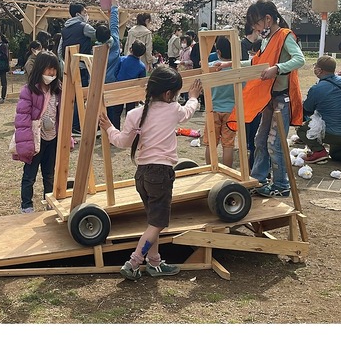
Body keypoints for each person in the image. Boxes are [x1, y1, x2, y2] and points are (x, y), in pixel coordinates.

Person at [98, 66, 203, 280]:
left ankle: (155, 262)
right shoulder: (173, 109)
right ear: (168, 94)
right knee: (158, 223)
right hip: (161, 174)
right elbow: (189, 110)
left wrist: (109, 127)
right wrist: (193, 97)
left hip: (142, 174)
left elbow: (122, 141)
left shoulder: (135, 114)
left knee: (152, 222)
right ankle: (133, 262)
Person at [225, 0, 305, 198]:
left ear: (268, 19)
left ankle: (281, 184)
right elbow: (256, 61)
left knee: (275, 143)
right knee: (260, 140)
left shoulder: (285, 36)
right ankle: (259, 179)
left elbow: (299, 59)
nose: (255, 27)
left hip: (281, 99)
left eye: (256, 23)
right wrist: (231, 64)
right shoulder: (267, 39)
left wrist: (277, 69)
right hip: (268, 99)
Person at [13, 51, 62, 214]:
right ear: (40, 68)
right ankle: (26, 205)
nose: (52, 73)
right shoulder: (29, 90)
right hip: (34, 139)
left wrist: (66, 139)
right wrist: (26, 143)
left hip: (52, 139)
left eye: (54, 69)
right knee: (29, 176)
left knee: (49, 174)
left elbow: (63, 116)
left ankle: (50, 201)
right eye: (49, 69)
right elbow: (22, 118)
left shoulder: (58, 90)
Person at [296, 56, 341, 169]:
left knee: (302, 129)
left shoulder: (317, 89)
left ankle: (318, 151)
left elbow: (307, 110)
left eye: (315, 66)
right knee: (336, 154)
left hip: (331, 133)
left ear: (319, 70)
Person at [57, 2, 96, 135]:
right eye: (85, 12)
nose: (86, 14)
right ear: (79, 14)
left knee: (70, 96)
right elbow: (98, 35)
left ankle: (69, 124)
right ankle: (76, 125)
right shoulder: (84, 27)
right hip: (82, 66)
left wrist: (65, 63)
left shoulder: (64, 29)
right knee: (81, 96)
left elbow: (60, 50)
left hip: (69, 67)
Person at [204, 37, 237, 167]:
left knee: (211, 143)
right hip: (231, 111)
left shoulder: (212, 67)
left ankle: (209, 169)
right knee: (228, 145)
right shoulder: (237, 67)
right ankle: (226, 174)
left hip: (213, 108)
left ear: (218, 51)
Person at [98, 0, 123, 129]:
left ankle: (100, 129)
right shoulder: (114, 41)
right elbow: (114, 24)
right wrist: (114, 7)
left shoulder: (97, 49)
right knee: (114, 108)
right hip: (113, 80)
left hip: (100, 81)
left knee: (101, 107)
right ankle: (114, 129)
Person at [110, 41, 147, 130]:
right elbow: (141, 82)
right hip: (132, 91)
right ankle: (129, 131)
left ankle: (116, 131)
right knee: (130, 112)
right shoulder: (142, 66)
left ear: (130, 49)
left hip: (119, 87)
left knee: (116, 112)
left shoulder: (121, 59)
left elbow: (115, 72)